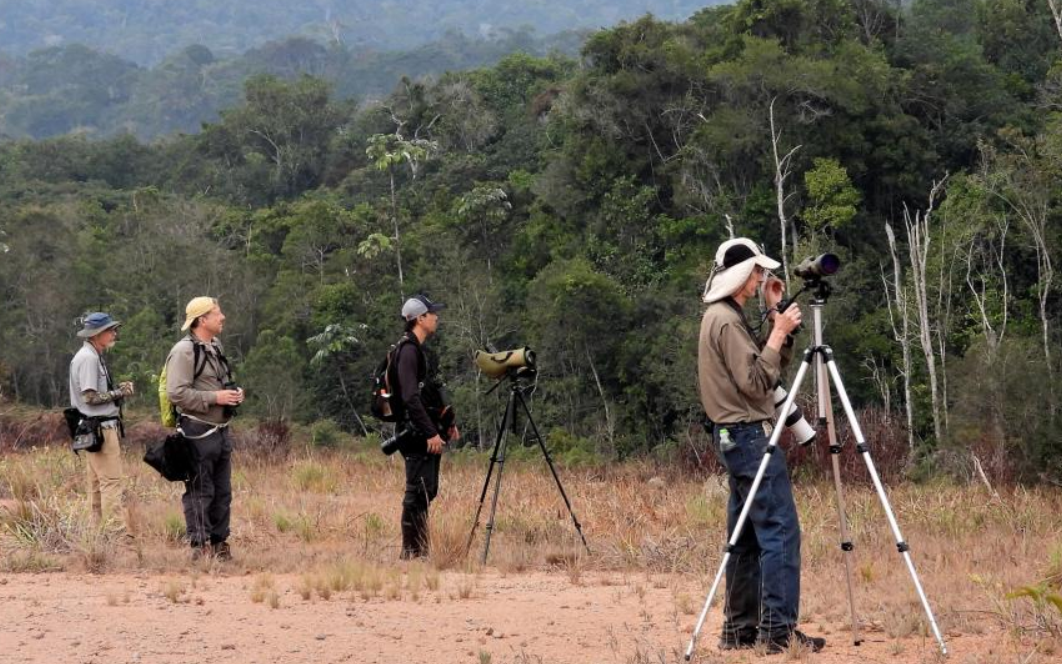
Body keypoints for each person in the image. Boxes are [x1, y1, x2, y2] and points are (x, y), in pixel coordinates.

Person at [697, 238, 824, 654]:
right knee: (780, 530)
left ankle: (740, 632)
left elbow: (766, 374)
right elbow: (755, 385)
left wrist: (775, 320)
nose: (760, 279)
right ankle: (777, 634)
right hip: (749, 436)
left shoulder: (720, 316)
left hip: (733, 436)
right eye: (755, 272)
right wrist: (780, 331)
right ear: (739, 274)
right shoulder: (727, 322)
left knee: (747, 537)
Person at [165, 297, 243, 561]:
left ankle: (220, 545)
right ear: (202, 320)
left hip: (221, 432)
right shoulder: (183, 351)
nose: (223, 317)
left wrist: (233, 394)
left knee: (223, 492)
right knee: (200, 491)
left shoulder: (215, 346)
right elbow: (176, 393)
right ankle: (200, 548)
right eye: (217, 313)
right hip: (196, 432)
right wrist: (215, 398)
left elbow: (217, 384)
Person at [391, 294, 459, 559]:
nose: (436, 317)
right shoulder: (408, 351)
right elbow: (410, 397)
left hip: (424, 430)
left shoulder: (418, 350)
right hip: (415, 433)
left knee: (426, 491)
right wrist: (430, 432)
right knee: (417, 491)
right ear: (420, 319)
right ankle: (411, 553)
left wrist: (446, 423)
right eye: (432, 313)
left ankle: (419, 552)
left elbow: (427, 394)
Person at [69, 312, 134, 528]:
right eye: (110, 330)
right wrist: (120, 393)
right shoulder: (89, 358)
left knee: (97, 484)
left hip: (93, 428)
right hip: (101, 428)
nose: (114, 334)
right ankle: (115, 533)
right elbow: (90, 397)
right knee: (111, 482)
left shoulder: (89, 355)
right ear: (97, 334)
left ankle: (97, 532)